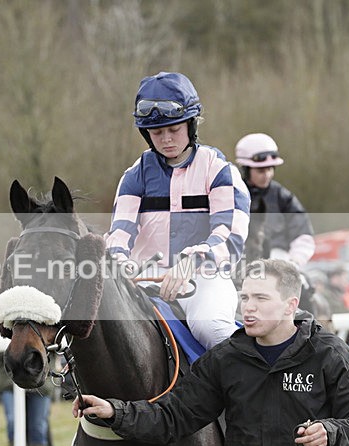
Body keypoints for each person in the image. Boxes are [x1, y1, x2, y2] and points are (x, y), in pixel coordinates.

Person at [74, 259, 349, 446]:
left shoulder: (330, 353)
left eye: (261, 298)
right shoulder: (225, 359)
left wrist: (332, 432)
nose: (248, 306)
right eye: (245, 297)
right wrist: (116, 412)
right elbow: (174, 416)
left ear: (291, 305)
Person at [104, 71, 250, 350]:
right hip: (144, 281)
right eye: (157, 132)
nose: (166, 139)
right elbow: (119, 235)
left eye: (174, 129)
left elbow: (229, 237)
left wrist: (190, 261)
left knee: (212, 329)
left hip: (203, 277)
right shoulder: (134, 176)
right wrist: (122, 266)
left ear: (191, 124)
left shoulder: (219, 170)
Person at [234, 133, 315, 268]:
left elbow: (303, 234)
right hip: (238, 263)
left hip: (278, 264)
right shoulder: (231, 194)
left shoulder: (283, 197)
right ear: (246, 169)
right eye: (261, 170)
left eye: (270, 169)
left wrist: (294, 261)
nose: (267, 175)